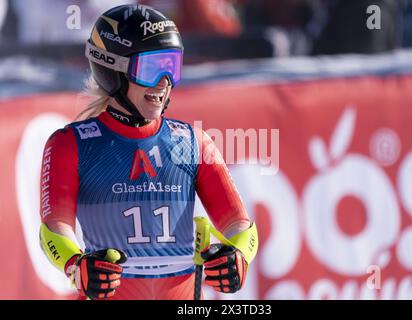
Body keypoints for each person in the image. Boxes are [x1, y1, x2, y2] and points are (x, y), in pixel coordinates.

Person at [38, 4, 258, 300]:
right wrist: (75, 264)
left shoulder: (194, 142)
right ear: (112, 69)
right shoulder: (71, 144)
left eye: (172, 66)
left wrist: (238, 255)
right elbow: (53, 229)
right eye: (152, 68)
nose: (164, 82)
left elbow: (241, 225)